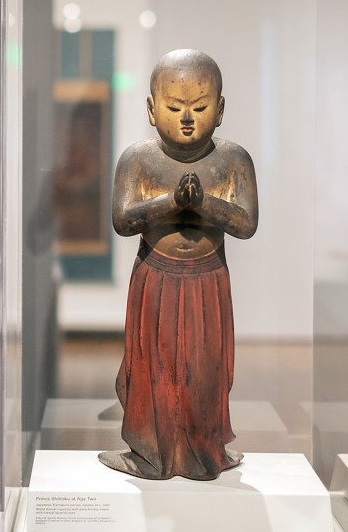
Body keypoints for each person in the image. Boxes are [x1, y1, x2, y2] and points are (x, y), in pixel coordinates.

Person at [98, 49, 258, 481]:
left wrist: (204, 202)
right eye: (174, 107)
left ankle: (206, 451)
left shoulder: (233, 160)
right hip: (155, 280)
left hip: (208, 280)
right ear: (151, 110)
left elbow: (246, 224)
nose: (187, 117)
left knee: (205, 371)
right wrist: (171, 201)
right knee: (154, 369)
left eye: (200, 106)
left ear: (220, 110)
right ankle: (149, 453)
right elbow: (121, 220)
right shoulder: (138, 159)